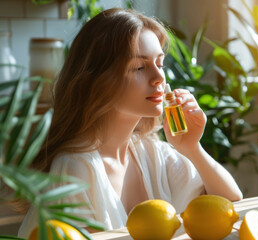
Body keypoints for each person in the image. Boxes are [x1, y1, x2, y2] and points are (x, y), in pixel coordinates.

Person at [18, 8, 242, 237]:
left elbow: (230, 208)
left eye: (160, 63)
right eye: (139, 67)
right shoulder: (75, 169)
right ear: (99, 80)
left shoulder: (153, 153)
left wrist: (192, 148)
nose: (159, 78)